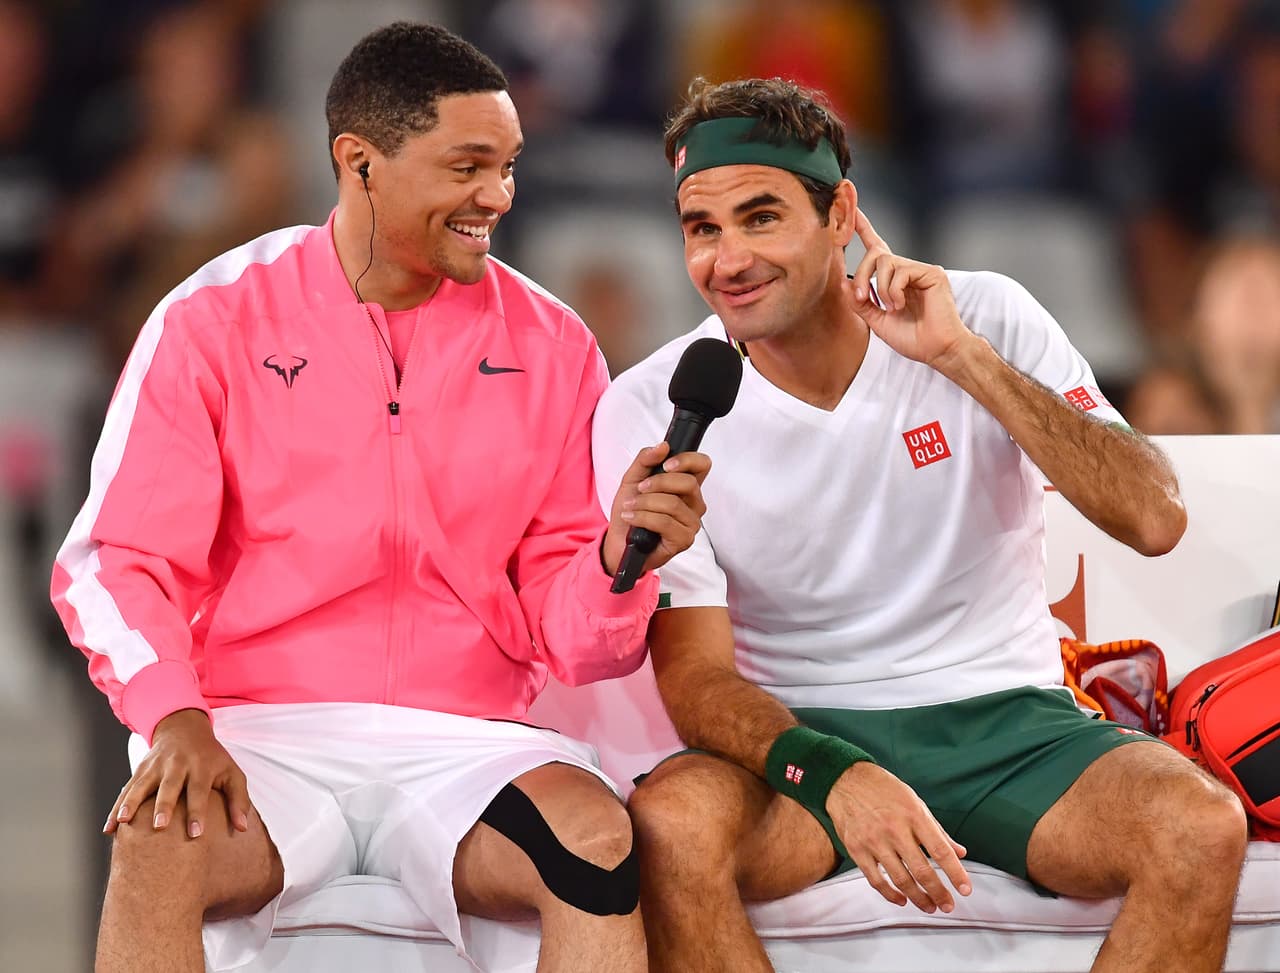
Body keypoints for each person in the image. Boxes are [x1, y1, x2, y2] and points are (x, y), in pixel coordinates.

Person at [50, 22, 709, 973]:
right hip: (257, 729)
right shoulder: (215, 316)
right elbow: (114, 563)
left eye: (510, 166)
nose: (499, 197)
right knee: (157, 839)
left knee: (595, 840)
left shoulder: (557, 346)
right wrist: (173, 717)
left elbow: (572, 635)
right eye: (469, 166)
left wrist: (615, 563)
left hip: (469, 742)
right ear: (359, 163)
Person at [590, 77, 1248, 973]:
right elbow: (698, 681)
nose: (728, 259)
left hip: (1011, 724)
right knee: (669, 825)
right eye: (702, 229)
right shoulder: (653, 403)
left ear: (841, 215)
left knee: (1199, 827)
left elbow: (1154, 517)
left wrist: (962, 358)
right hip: (799, 735)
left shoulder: (982, 315)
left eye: (760, 216)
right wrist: (834, 775)